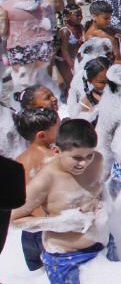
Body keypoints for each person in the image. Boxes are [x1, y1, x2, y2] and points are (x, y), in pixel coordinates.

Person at [12, 119, 114, 284]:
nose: (84, 163)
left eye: (88, 155)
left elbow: (100, 190)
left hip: (103, 248)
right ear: (57, 151)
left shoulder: (97, 160)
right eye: (77, 158)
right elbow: (11, 219)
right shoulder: (46, 179)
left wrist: (105, 206)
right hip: (67, 260)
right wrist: (60, 223)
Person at [13, 106, 60, 272]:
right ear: (42, 135)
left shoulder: (17, 162)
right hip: (52, 230)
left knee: (40, 282)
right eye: (59, 128)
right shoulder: (54, 159)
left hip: (28, 233)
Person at [0, 0, 57, 92]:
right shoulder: (43, 3)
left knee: (22, 83)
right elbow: (52, 24)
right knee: (43, 79)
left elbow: (3, 31)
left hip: (19, 47)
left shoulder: (6, 5)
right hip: (43, 45)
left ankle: (25, 106)